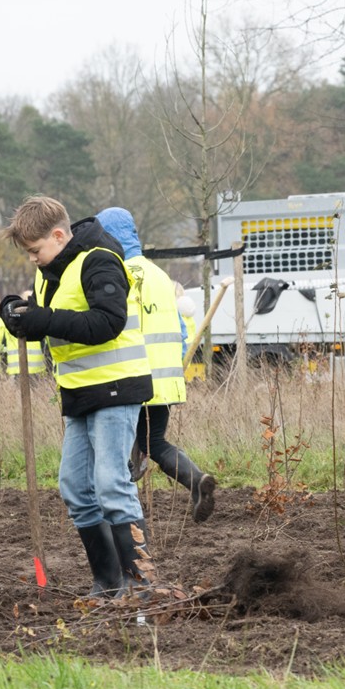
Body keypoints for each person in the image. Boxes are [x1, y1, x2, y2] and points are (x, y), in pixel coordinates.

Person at [0, 196, 154, 596]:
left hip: (116, 386)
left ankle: (142, 585)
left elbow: (107, 322)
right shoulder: (52, 270)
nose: (33, 259)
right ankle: (107, 582)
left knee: (111, 485)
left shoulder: (99, 259)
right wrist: (17, 313)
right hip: (79, 393)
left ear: (57, 234)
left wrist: (43, 319)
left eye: (35, 250)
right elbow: (51, 315)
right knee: (74, 488)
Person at [96, 207, 218, 522]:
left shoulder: (119, 273)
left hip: (132, 376)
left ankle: (119, 515)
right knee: (154, 441)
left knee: (119, 446)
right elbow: (179, 332)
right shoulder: (159, 275)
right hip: (165, 380)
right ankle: (196, 480)